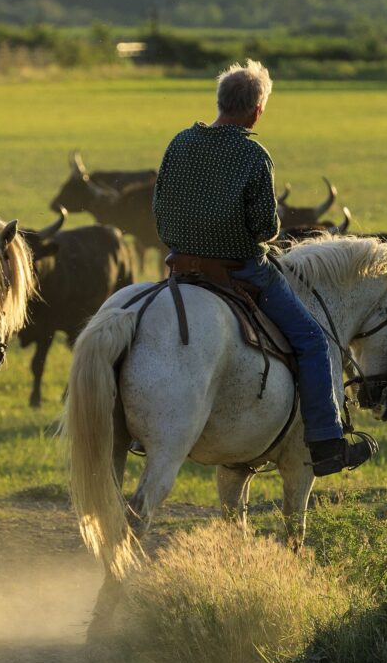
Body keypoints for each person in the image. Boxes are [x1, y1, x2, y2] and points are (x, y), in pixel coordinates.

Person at [151, 60, 371, 475]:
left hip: (181, 268)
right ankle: (326, 444)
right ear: (257, 111)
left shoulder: (179, 142)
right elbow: (266, 228)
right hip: (242, 273)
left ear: (219, 102)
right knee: (312, 340)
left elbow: (159, 211)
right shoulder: (253, 154)